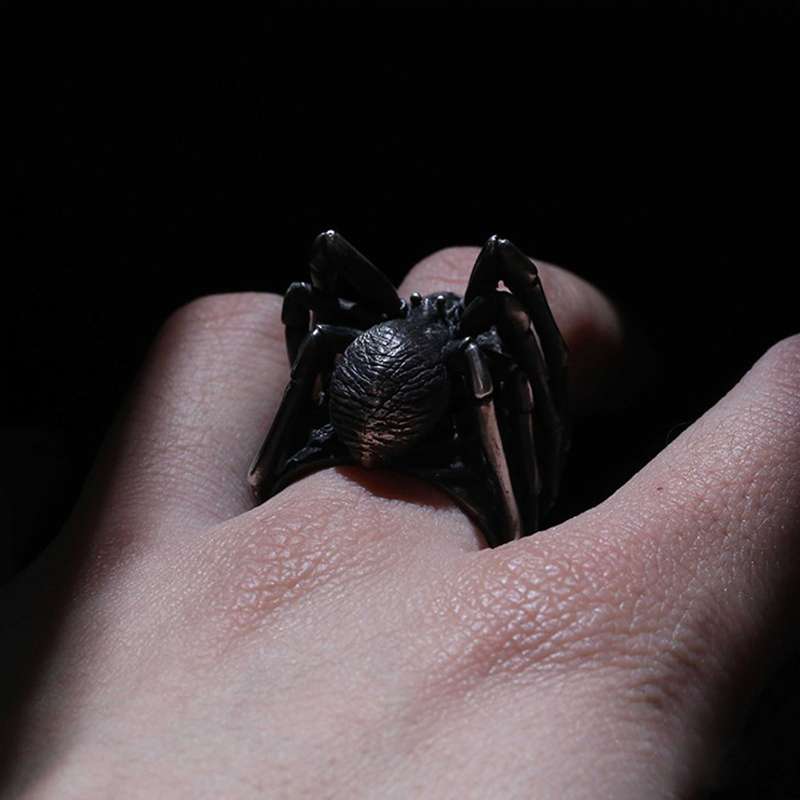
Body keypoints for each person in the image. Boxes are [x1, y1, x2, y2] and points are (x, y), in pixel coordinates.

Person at [1, 246, 798, 798]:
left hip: (354, 402)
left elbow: (311, 331)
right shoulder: (475, 351)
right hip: (401, 407)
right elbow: (505, 358)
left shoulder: (339, 329)